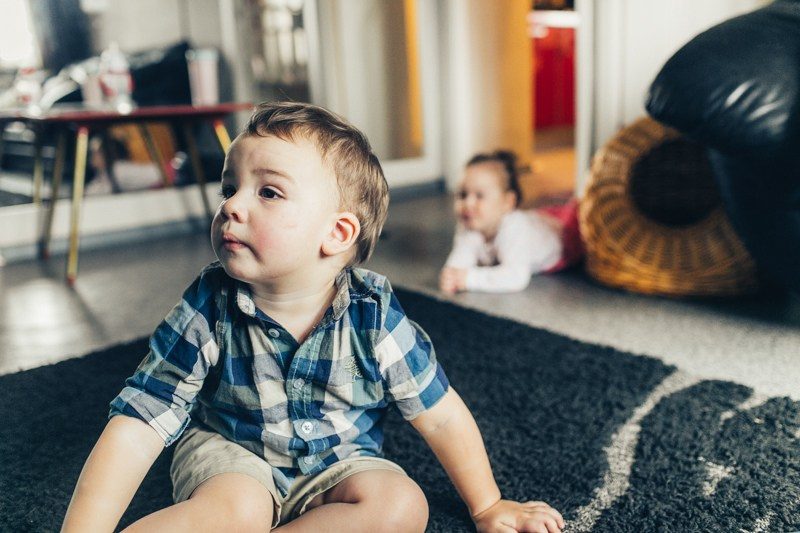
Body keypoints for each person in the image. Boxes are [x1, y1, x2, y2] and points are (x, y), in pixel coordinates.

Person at [61, 102, 564, 533]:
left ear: (338, 234)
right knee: (238, 510)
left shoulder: (375, 314)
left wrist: (488, 504)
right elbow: (139, 423)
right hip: (232, 457)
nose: (232, 205)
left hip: (340, 462)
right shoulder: (207, 303)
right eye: (229, 187)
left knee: (402, 505)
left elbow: (442, 413)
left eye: (268, 192)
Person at [439, 150, 583, 294]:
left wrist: (469, 279)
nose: (468, 203)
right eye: (462, 195)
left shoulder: (515, 228)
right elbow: (460, 257)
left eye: (479, 195)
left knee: (580, 221)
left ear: (508, 202)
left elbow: (515, 277)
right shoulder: (470, 223)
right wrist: (451, 276)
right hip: (536, 218)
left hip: (565, 239)